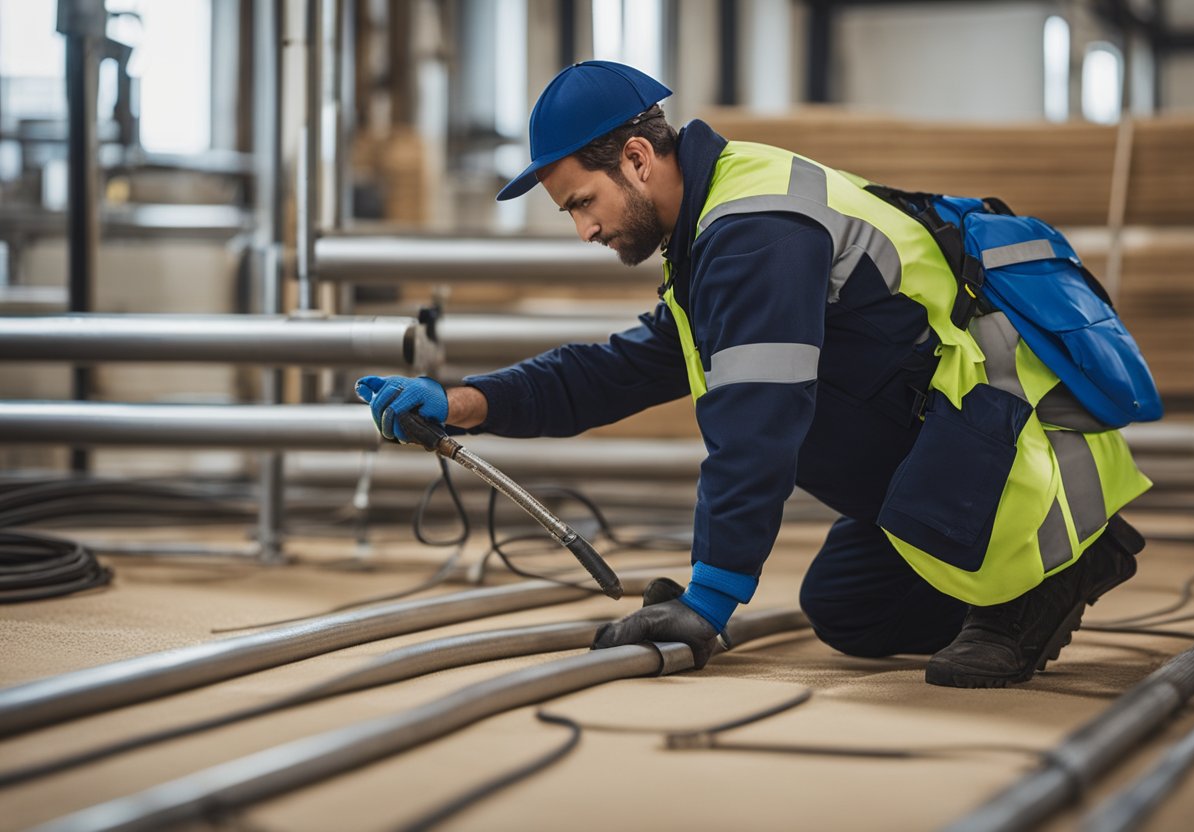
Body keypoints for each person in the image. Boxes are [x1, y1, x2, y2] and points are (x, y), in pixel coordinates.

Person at [356, 61, 1150, 688]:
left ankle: (1062, 567)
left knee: (947, 651)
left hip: (1010, 462)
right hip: (941, 457)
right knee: (847, 613)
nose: (584, 229)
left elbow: (755, 426)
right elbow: (619, 370)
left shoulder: (754, 232)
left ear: (637, 159)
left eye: (581, 202)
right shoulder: (714, 229)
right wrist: (464, 401)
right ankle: (1001, 572)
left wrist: (710, 600)